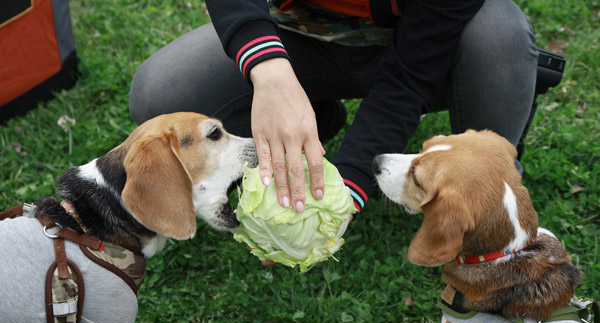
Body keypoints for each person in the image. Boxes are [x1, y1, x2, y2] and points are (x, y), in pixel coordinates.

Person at [129, 0, 538, 215]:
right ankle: (316, 118)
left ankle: (490, 199)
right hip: (292, 37)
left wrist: (350, 187)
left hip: (418, 50)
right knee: (160, 94)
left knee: (498, 38)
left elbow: (409, 77)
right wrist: (267, 71)